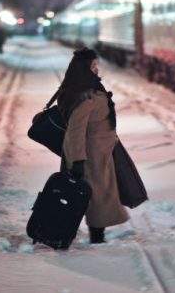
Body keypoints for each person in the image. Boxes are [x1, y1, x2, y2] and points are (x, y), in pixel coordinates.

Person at [57, 48, 129, 244]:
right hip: (91, 155)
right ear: (84, 68)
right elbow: (75, 130)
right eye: (93, 66)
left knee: (100, 195)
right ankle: (96, 236)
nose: (97, 69)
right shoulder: (85, 96)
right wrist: (78, 160)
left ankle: (95, 233)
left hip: (101, 152)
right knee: (98, 196)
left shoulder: (90, 88)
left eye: (97, 65)